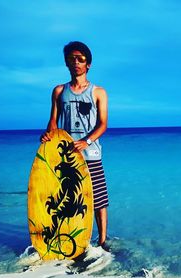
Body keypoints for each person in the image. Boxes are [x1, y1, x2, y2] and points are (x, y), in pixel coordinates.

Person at [40, 41, 110, 251]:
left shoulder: (98, 92)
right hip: (66, 156)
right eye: (72, 59)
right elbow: (53, 121)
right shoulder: (59, 91)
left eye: (80, 59)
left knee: (98, 198)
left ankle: (103, 241)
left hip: (91, 153)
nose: (76, 62)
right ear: (66, 63)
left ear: (88, 64)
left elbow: (103, 124)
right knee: (67, 198)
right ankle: (72, 239)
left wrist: (86, 141)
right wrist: (48, 136)